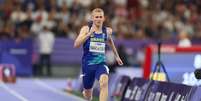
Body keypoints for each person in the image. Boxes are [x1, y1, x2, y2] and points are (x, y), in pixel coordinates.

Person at [74, 8, 123, 101]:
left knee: (104, 82)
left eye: (100, 17)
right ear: (92, 18)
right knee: (88, 95)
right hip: (87, 65)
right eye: (96, 17)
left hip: (101, 63)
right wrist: (88, 34)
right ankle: (87, 92)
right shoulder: (85, 29)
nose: (99, 19)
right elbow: (76, 44)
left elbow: (110, 41)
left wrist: (117, 56)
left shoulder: (107, 31)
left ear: (103, 18)